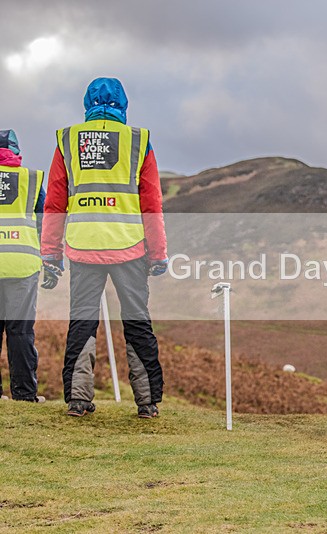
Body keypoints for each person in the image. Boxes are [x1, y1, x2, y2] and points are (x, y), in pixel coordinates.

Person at [40, 77, 168, 418]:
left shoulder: (67, 140)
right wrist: (158, 254)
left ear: (87, 104)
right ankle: (147, 402)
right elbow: (151, 203)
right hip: (130, 247)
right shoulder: (138, 140)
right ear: (124, 105)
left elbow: (54, 202)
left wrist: (50, 255)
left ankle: (79, 400)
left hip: (83, 245)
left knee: (82, 321)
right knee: (137, 321)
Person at [0, 129, 46, 403]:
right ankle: (25, 394)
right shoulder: (30, 179)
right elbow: (45, 222)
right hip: (22, 264)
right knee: (20, 331)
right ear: (17, 153)